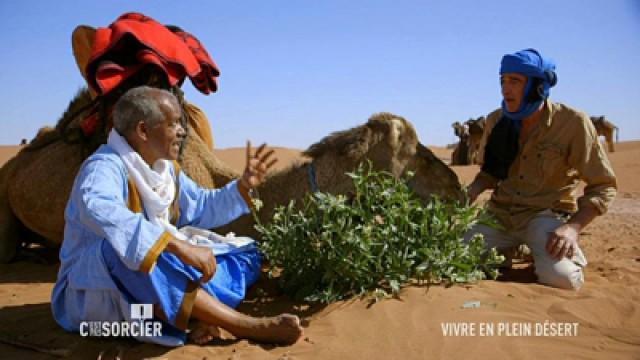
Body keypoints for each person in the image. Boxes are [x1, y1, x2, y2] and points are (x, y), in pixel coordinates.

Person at [51, 86, 303, 346]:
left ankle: (188, 315)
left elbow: (202, 206)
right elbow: (100, 208)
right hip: (99, 301)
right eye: (173, 124)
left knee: (244, 252)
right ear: (143, 131)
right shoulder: (103, 167)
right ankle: (241, 325)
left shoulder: (165, 171)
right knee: (124, 252)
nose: (182, 131)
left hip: (152, 294)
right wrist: (176, 246)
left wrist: (242, 187)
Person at [465, 48, 617, 290]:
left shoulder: (572, 123)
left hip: (544, 215)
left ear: (538, 86)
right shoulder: (496, 120)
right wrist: (472, 190)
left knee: (563, 280)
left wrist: (572, 228)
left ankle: (564, 252)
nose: (506, 88)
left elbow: (604, 185)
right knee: (454, 262)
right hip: (499, 215)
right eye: (503, 80)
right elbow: (490, 172)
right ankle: (515, 248)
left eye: (515, 81)